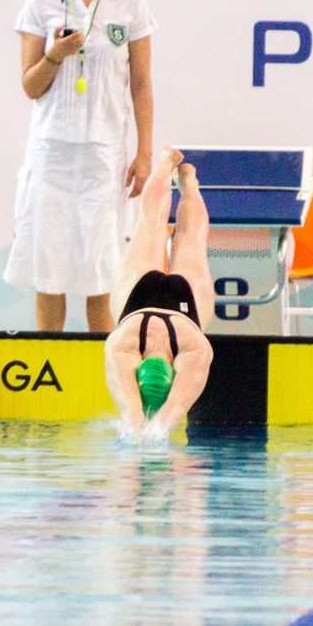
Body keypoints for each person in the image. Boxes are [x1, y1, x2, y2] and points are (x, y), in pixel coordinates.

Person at [5, 0, 156, 334]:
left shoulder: (130, 3)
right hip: (52, 154)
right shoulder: (40, 3)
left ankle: (101, 364)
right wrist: (55, 56)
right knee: (48, 270)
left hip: (104, 157)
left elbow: (141, 85)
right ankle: (50, 358)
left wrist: (144, 154)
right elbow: (31, 86)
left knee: (101, 273)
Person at [105, 147, 214, 439]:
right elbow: (139, 411)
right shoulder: (123, 346)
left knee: (191, 237)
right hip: (136, 302)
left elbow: (162, 413)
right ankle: (168, 164)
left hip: (186, 311)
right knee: (151, 222)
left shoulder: (194, 348)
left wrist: (144, 431)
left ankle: (188, 180)